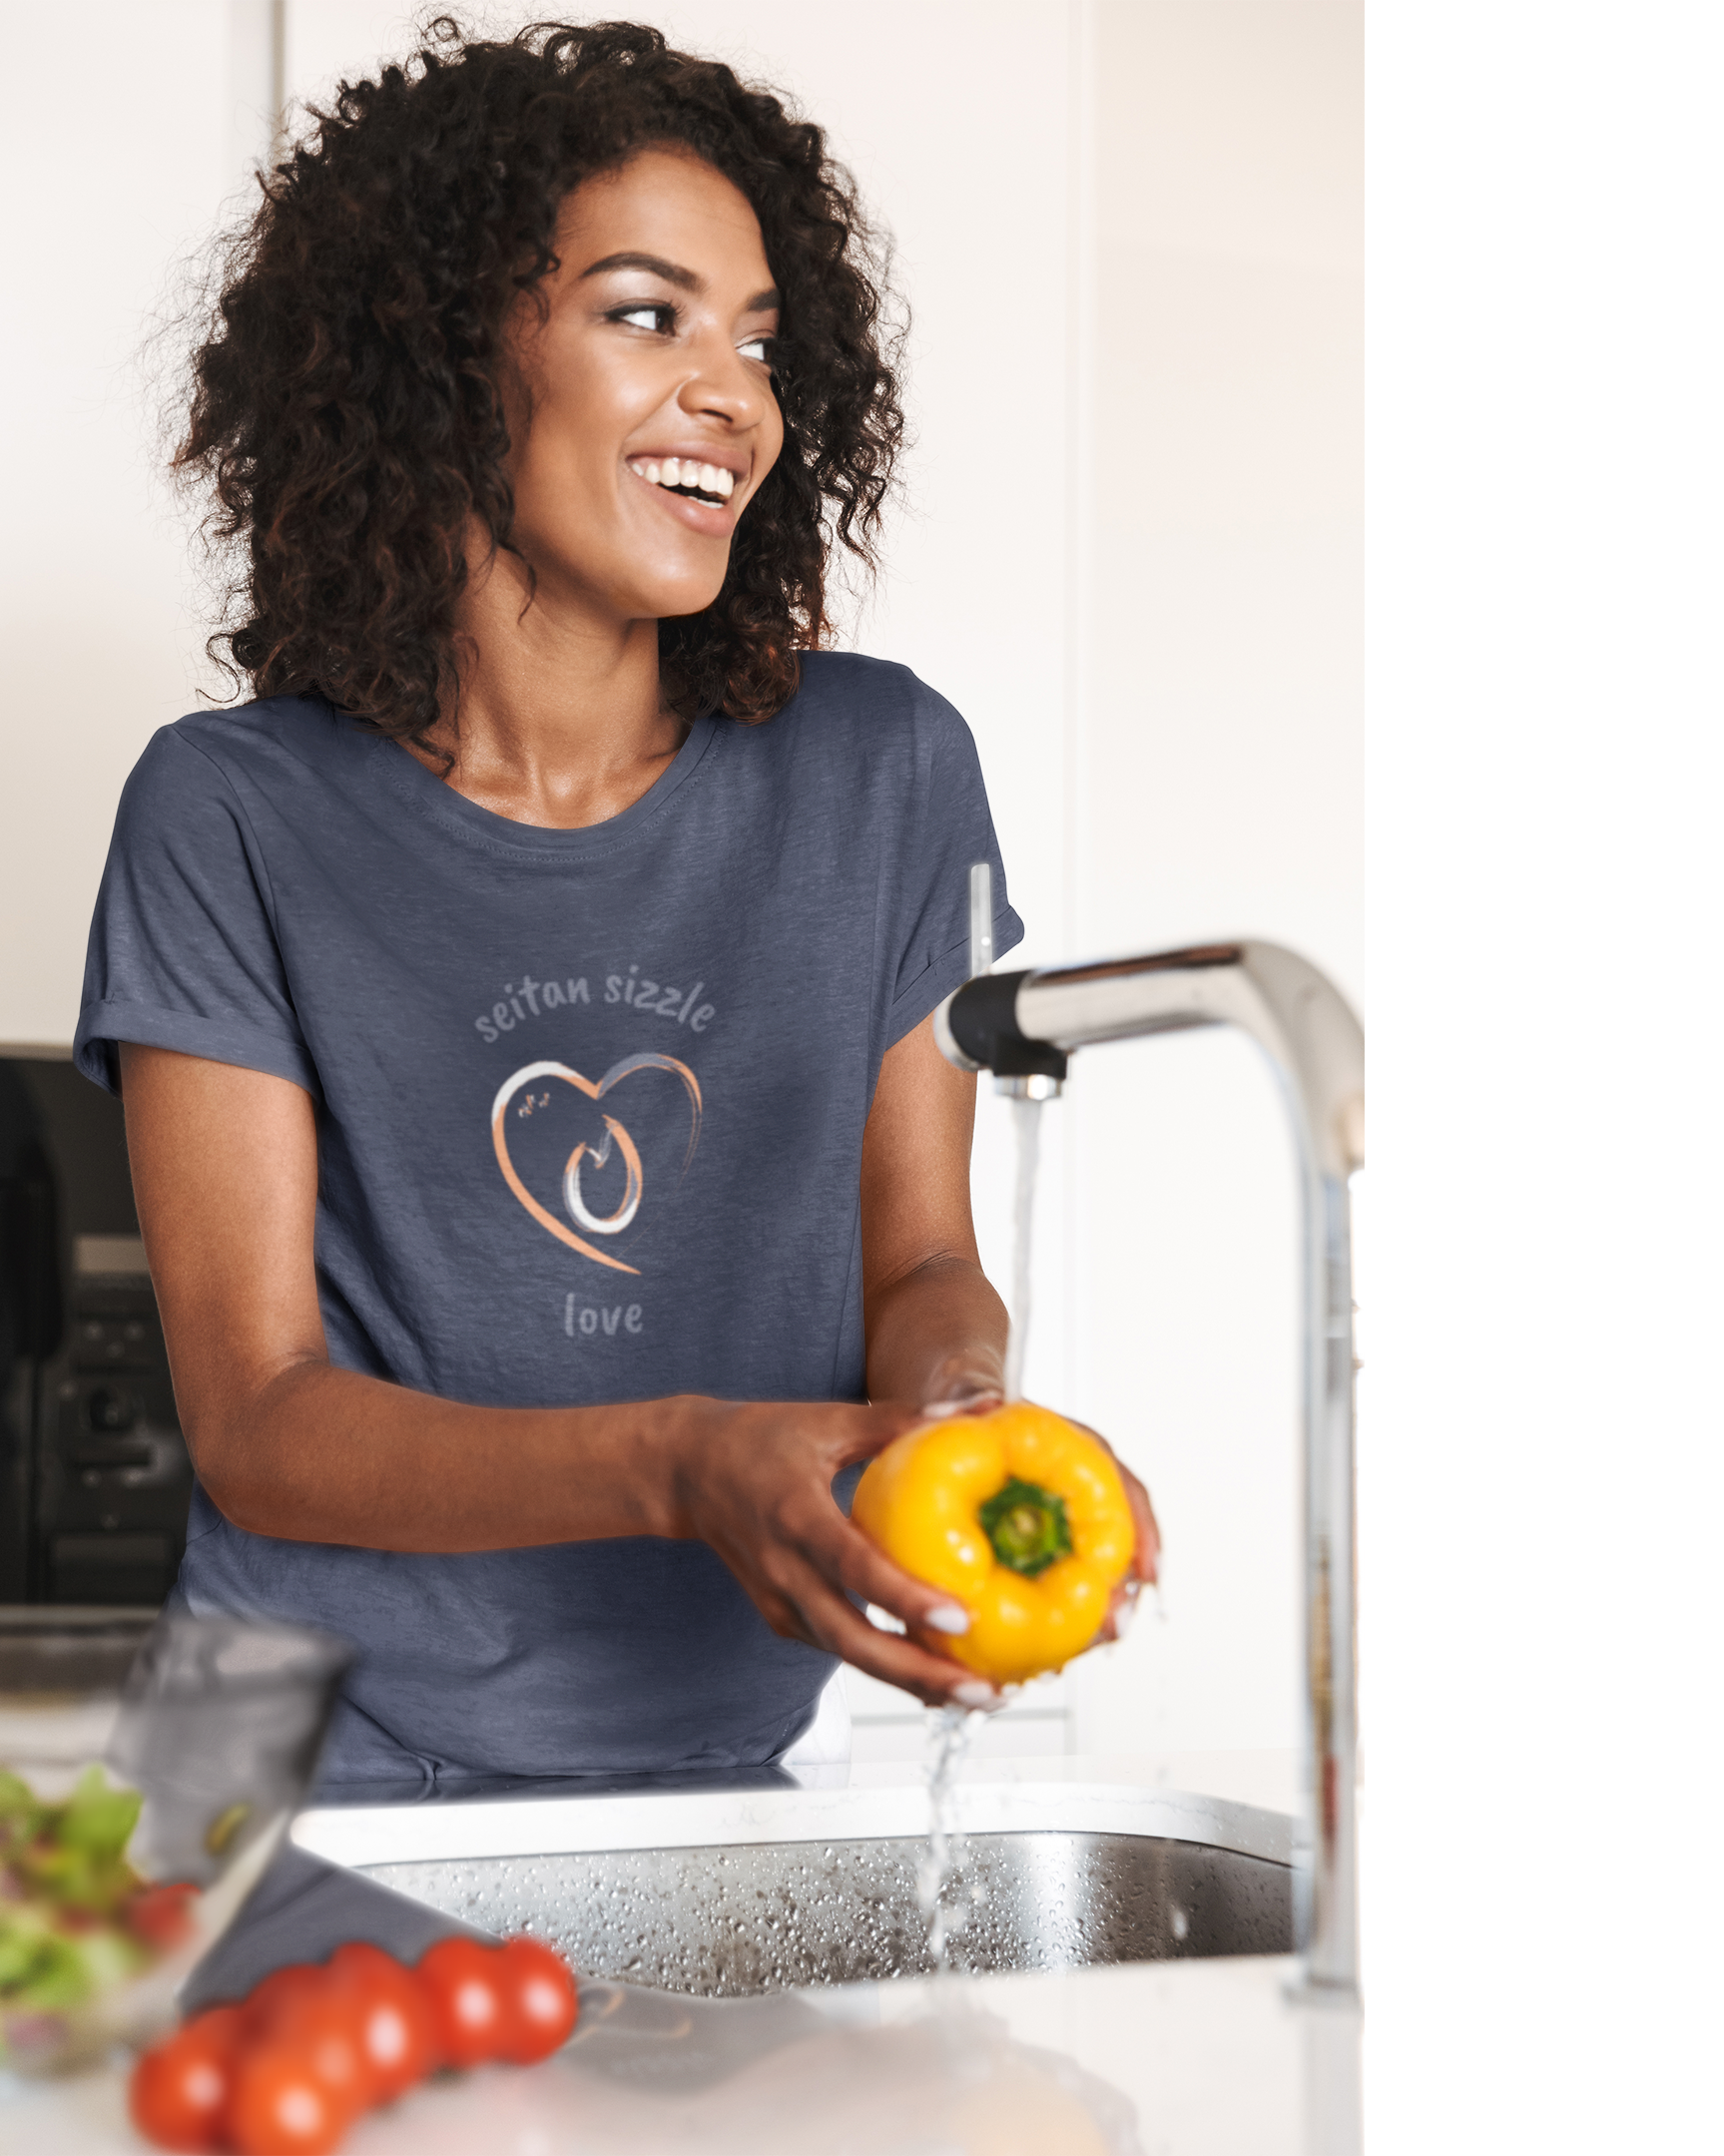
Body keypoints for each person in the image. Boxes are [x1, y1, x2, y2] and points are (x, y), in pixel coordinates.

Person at [76, 20, 1156, 1792]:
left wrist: (954, 1421)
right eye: (646, 314)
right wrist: (678, 1459)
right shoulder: (230, 812)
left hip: (699, 1753)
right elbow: (261, 1424)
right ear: (441, 354)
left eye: (758, 336)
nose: (732, 392)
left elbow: (923, 1259)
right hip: (261, 1757)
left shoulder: (881, 773)